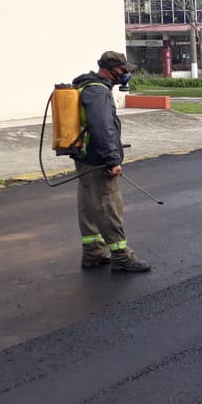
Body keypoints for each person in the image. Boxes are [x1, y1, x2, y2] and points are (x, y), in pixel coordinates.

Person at [71, 52, 152, 273]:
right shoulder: (98, 92)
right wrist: (112, 159)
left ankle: (93, 252)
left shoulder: (87, 87)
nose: (125, 74)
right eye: (123, 70)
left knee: (88, 206)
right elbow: (103, 128)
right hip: (98, 159)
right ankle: (121, 256)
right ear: (109, 69)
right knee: (109, 206)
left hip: (85, 157)